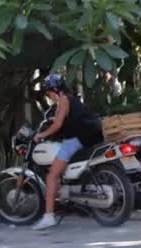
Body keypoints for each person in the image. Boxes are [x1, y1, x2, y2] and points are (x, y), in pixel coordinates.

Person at [32, 74, 101, 230]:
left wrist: (40, 135)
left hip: (74, 141)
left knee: (52, 175)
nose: (48, 96)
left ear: (54, 89)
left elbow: (57, 125)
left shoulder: (63, 100)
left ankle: (48, 216)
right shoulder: (72, 99)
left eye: (48, 92)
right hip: (88, 139)